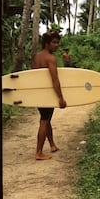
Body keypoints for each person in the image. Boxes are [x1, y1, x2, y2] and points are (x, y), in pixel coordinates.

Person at [32, 29, 67, 160]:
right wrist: (60, 98)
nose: (57, 45)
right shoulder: (50, 58)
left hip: (38, 92)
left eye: (58, 42)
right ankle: (39, 152)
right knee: (44, 121)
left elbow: (36, 75)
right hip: (47, 94)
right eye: (54, 42)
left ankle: (52, 144)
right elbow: (54, 80)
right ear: (47, 43)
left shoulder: (37, 56)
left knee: (46, 119)